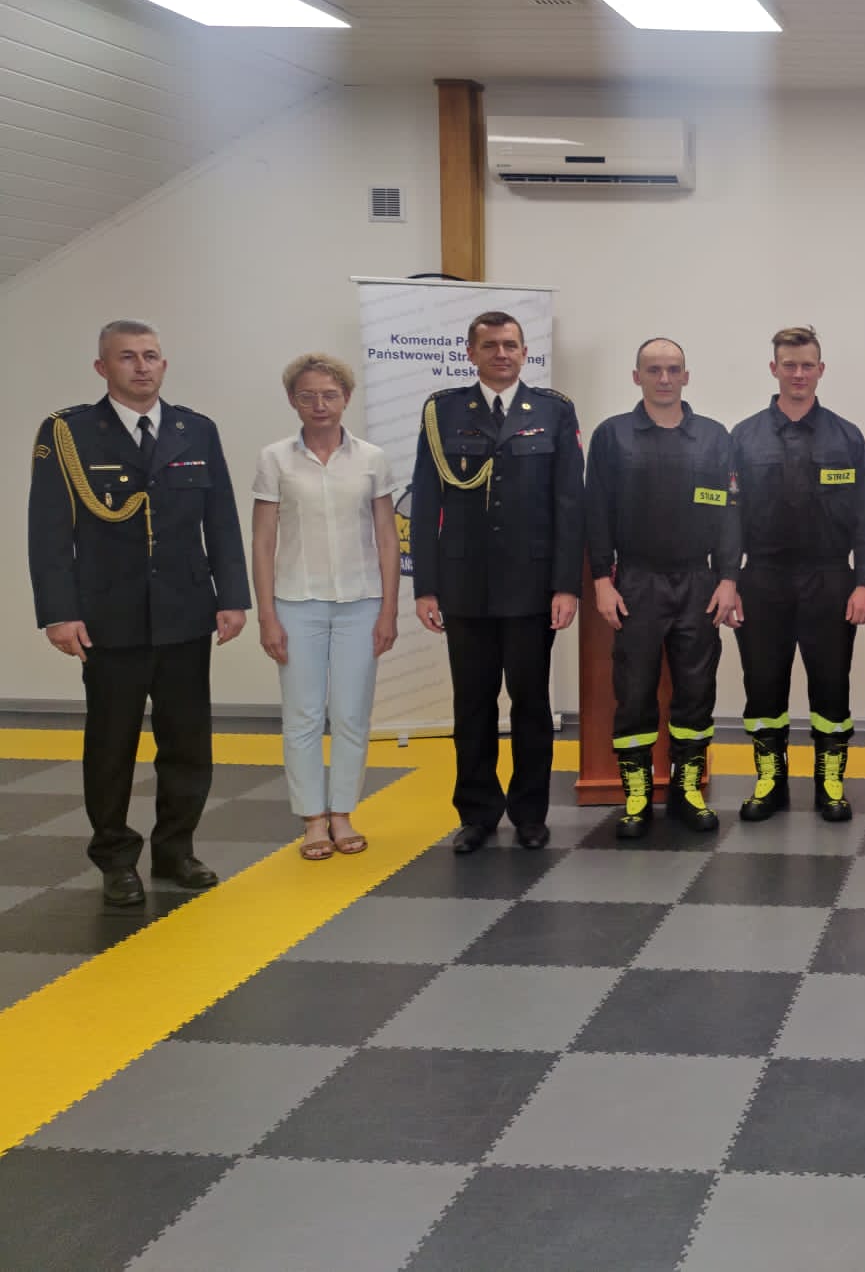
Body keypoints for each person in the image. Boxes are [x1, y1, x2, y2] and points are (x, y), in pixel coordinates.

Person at [28, 319, 249, 907]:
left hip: (184, 612)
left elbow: (221, 519)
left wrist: (232, 596)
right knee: (111, 745)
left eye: (151, 356)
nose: (142, 366)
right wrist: (58, 613)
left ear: (164, 364)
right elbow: (48, 531)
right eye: (127, 357)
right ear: (102, 367)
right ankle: (115, 858)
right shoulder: (69, 433)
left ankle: (176, 849)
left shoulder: (194, 429)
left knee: (187, 743)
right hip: (109, 617)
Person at [410, 310, 583, 854]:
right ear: (471, 353)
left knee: (531, 706)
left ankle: (530, 813)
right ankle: (478, 813)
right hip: (465, 587)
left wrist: (566, 585)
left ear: (525, 352)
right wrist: (425, 586)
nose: (501, 353)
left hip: (532, 588)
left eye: (510, 344)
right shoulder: (442, 412)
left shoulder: (553, 411)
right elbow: (425, 502)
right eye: (490, 345)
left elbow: (569, 504)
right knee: (473, 707)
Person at [585, 337, 741, 839]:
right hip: (635, 582)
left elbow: (729, 512)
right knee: (633, 692)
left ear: (686, 376)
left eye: (673, 369)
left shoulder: (714, 437)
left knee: (696, 691)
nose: (665, 378)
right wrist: (601, 580)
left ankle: (686, 789)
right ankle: (636, 796)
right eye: (653, 369)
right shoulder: (612, 436)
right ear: (637, 377)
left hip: (699, 582)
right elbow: (596, 513)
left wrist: (729, 577)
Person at [251, 354, 399, 860]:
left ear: (346, 399)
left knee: (352, 713)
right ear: (293, 400)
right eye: (308, 395)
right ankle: (312, 818)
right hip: (296, 602)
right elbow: (263, 540)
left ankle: (342, 813)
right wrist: (267, 615)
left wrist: (388, 610)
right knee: (303, 715)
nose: (320, 405)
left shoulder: (372, 459)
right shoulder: (274, 459)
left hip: (362, 602)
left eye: (330, 395)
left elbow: (387, 537)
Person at [729, 326, 865, 823]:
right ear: (773, 368)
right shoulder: (744, 437)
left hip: (830, 580)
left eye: (807, 365)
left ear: (821, 369)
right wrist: (727, 580)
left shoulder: (846, 436)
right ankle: (769, 780)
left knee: (832, 686)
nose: (798, 373)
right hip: (762, 580)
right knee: (763, 686)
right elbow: (727, 517)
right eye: (789, 365)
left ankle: (829, 782)